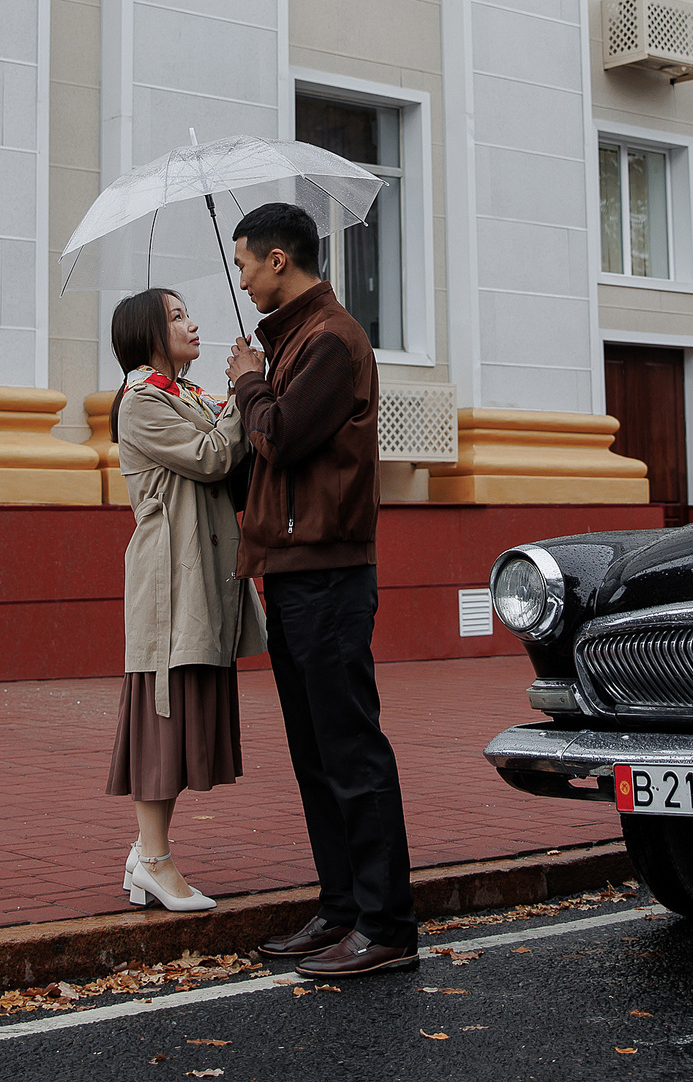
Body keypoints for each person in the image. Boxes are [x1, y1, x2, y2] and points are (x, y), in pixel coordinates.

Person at [224, 202, 417, 977]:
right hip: (291, 570)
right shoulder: (294, 341)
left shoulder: (332, 339)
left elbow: (280, 435)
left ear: (279, 260)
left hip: (329, 574)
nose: (241, 280)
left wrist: (248, 383)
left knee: (350, 750)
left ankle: (387, 926)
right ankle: (342, 910)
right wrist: (253, 381)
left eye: (245, 264)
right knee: (315, 755)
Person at [104, 287, 266, 913]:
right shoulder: (141, 401)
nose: (192, 324)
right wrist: (245, 395)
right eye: (176, 317)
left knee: (183, 714)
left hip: (200, 573)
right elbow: (213, 454)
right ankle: (154, 861)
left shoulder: (186, 395)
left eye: (188, 313)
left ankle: (146, 853)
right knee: (162, 717)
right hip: (170, 580)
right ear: (148, 334)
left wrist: (246, 390)